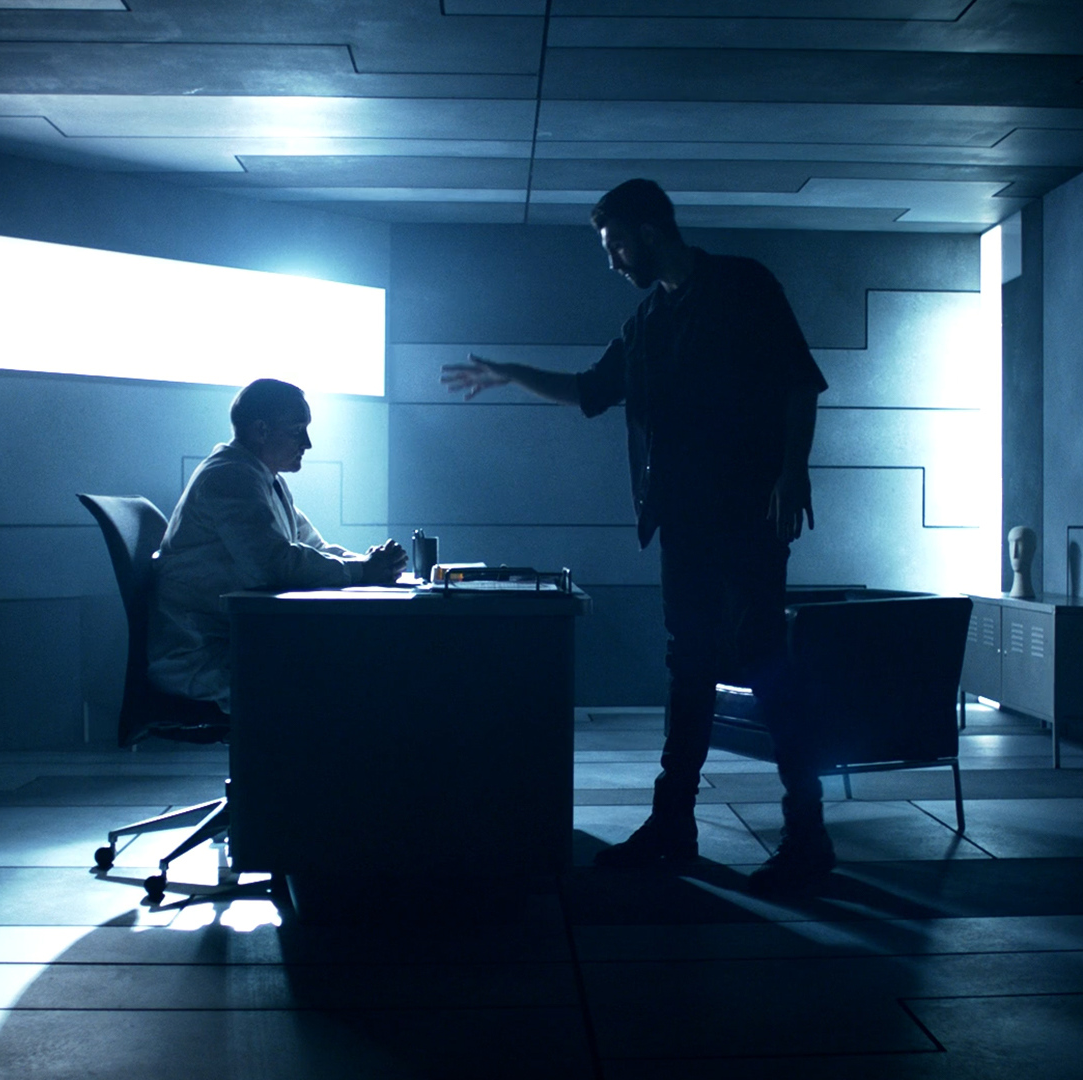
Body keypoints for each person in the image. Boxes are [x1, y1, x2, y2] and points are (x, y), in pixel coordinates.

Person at [441, 179, 833, 892]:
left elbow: (797, 382)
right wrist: (509, 374)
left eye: (617, 245)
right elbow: (590, 391)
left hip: (746, 514)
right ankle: (673, 824)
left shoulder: (742, 285)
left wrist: (790, 472)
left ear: (650, 233)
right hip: (682, 520)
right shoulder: (647, 321)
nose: (613, 261)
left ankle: (807, 834)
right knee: (690, 667)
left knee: (762, 659)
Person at [148, 378, 407, 709]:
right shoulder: (231, 478)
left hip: (233, 642)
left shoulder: (262, 478)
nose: (308, 443)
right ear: (261, 430)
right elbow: (274, 564)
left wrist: (370, 565)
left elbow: (313, 547)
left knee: (343, 666)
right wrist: (364, 570)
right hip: (203, 657)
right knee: (342, 676)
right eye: (298, 430)